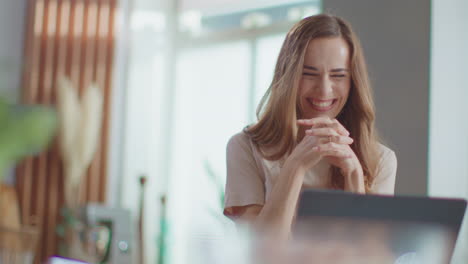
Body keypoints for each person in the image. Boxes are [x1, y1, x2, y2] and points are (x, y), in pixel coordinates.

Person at [223, 14, 397, 240]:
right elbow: (260, 253)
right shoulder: (246, 148)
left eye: (338, 75)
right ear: (288, 76)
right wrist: (296, 166)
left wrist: (353, 175)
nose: (324, 90)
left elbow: (369, 257)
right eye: (309, 74)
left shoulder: (381, 159)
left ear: (353, 82)